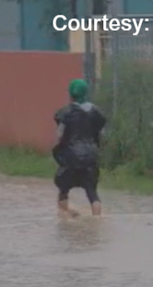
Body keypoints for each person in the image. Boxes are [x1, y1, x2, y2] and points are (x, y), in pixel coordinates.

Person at [53, 78, 107, 217]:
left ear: (71, 94)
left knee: (63, 189)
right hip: (90, 155)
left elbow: (59, 135)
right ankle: (96, 221)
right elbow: (102, 134)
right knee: (92, 192)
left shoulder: (65, 112)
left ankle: (66, 219)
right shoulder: (97, 112)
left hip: (70, 156)